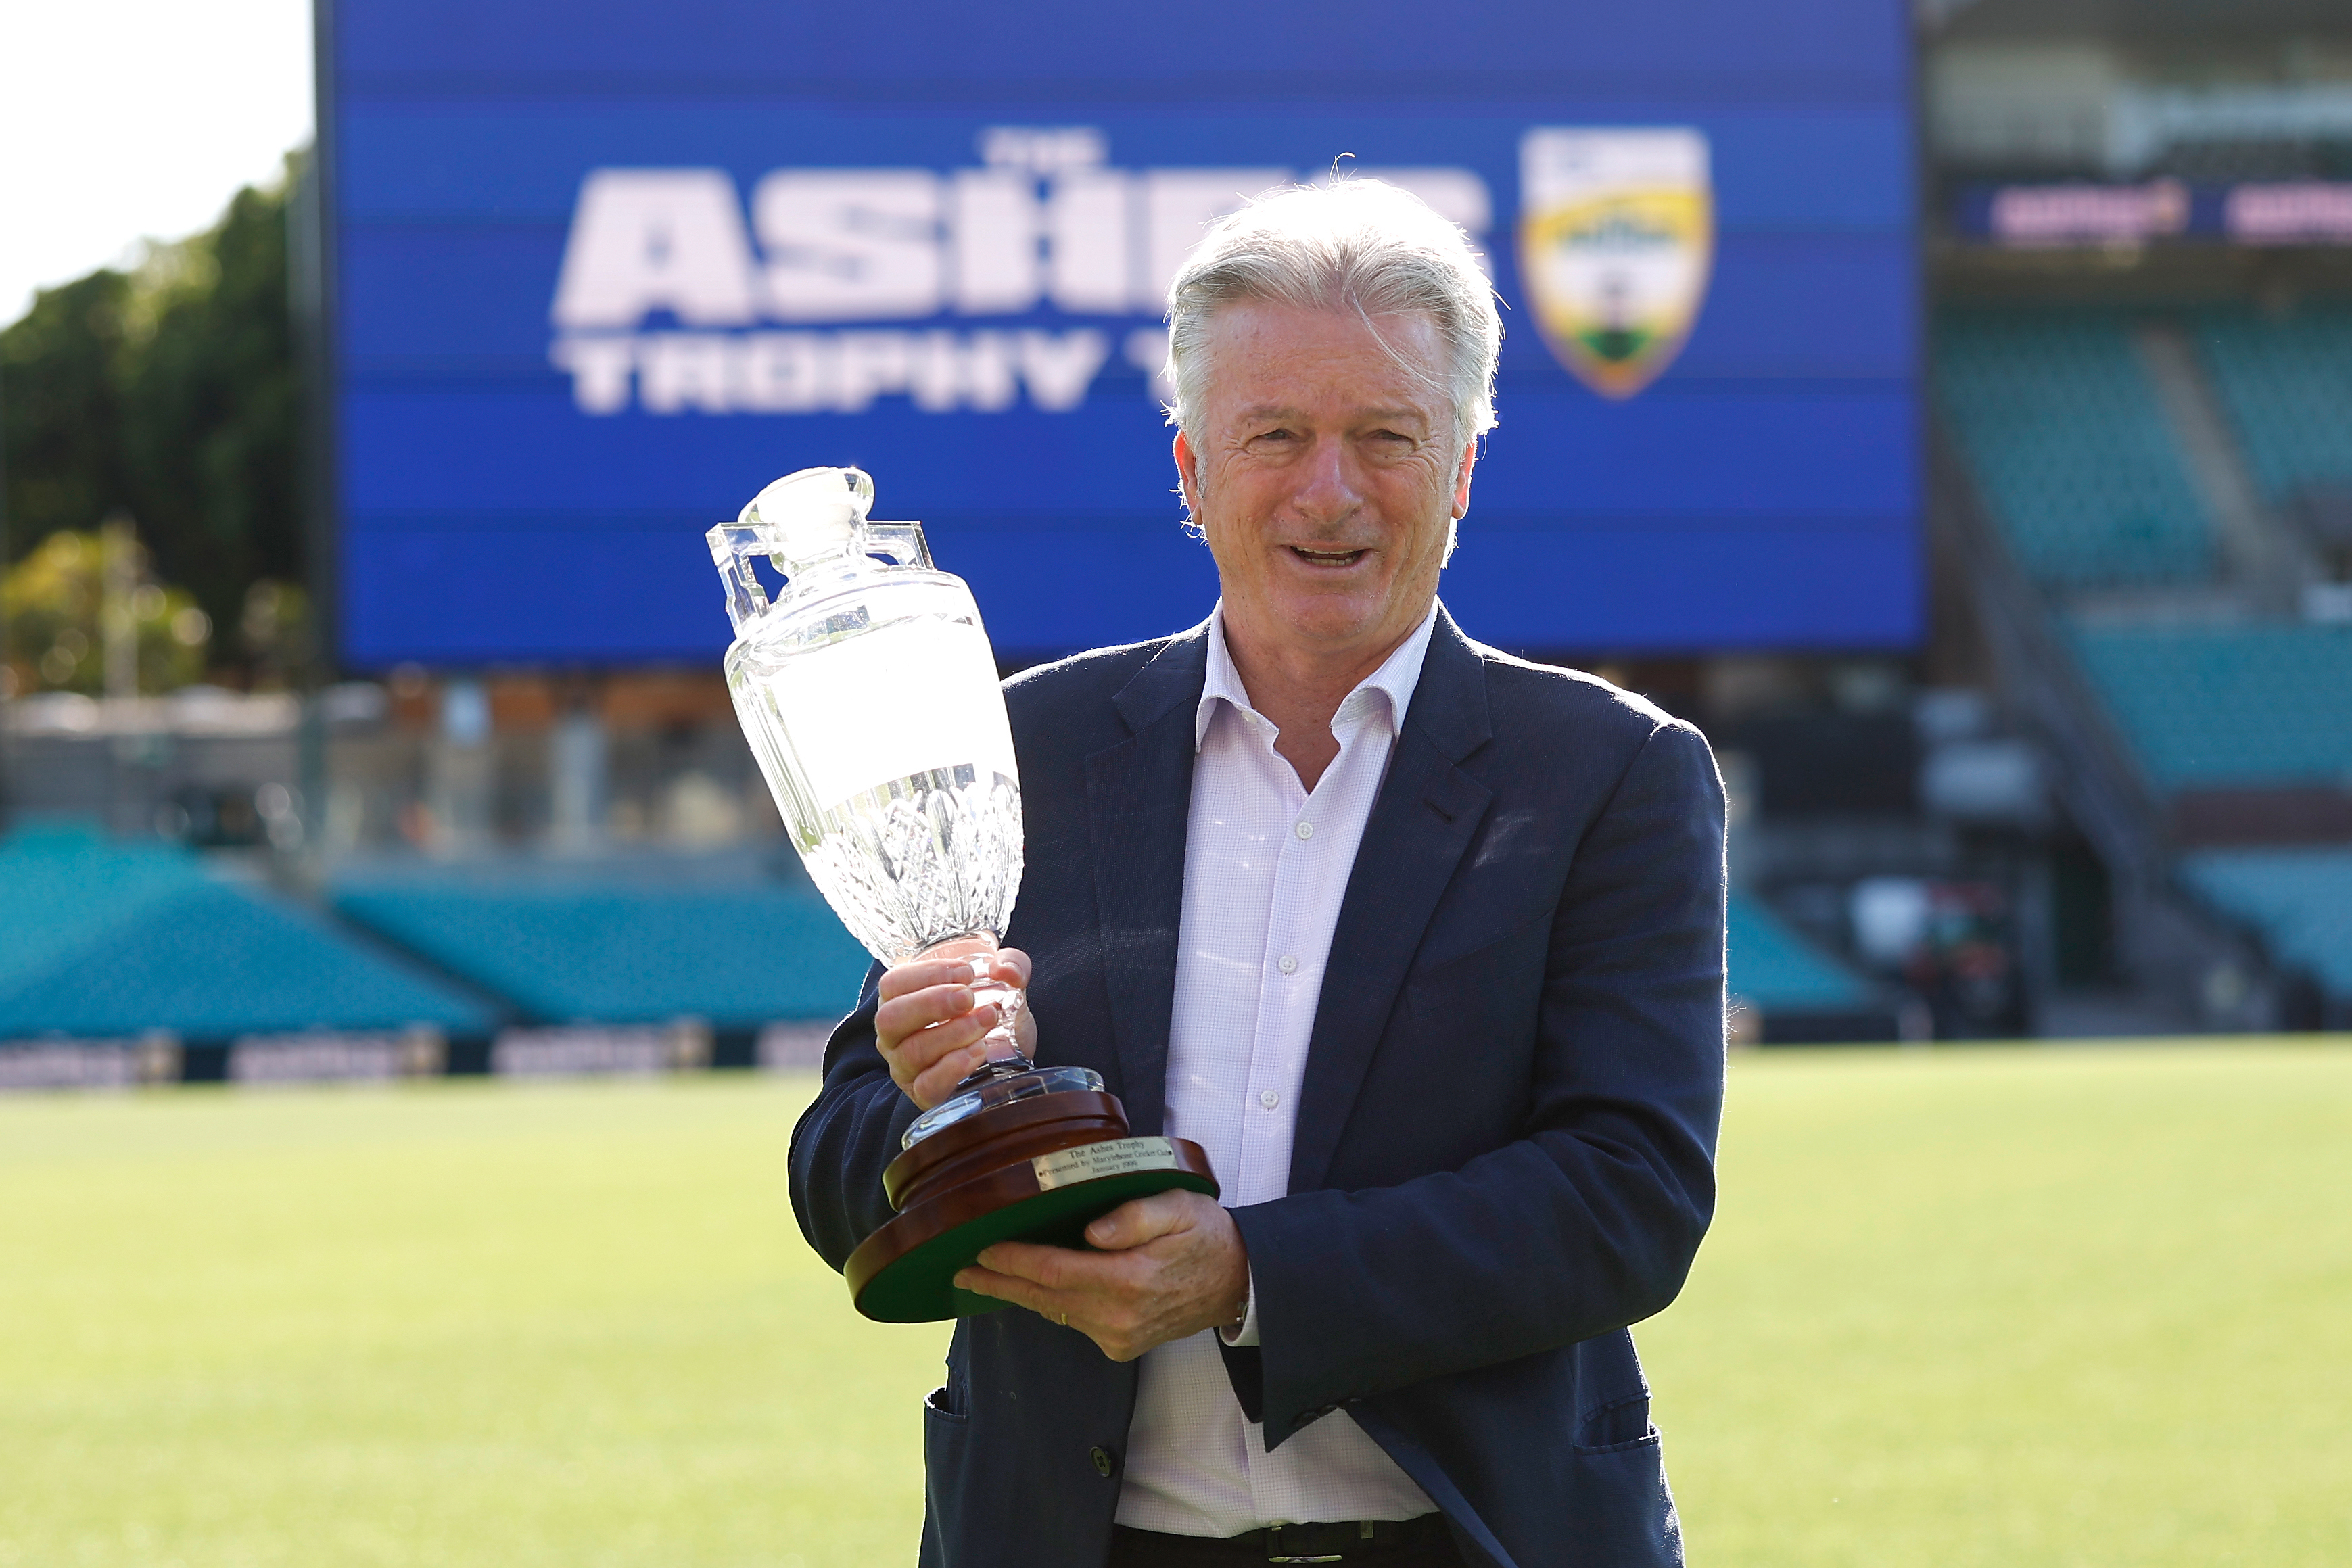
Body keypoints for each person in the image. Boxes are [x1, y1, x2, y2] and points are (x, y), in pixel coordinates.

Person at [791, 179, 1726, 1568]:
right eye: (1273, 433)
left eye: (1385, 437)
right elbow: (838, 1164)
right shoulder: (1023, 751)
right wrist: (923, 1099)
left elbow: (1626, 1194)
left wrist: (1244, 1275)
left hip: (1475, 1539)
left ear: (1462, 469)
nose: (1327, 489)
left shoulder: (1608, 772)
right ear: (1189, 467)